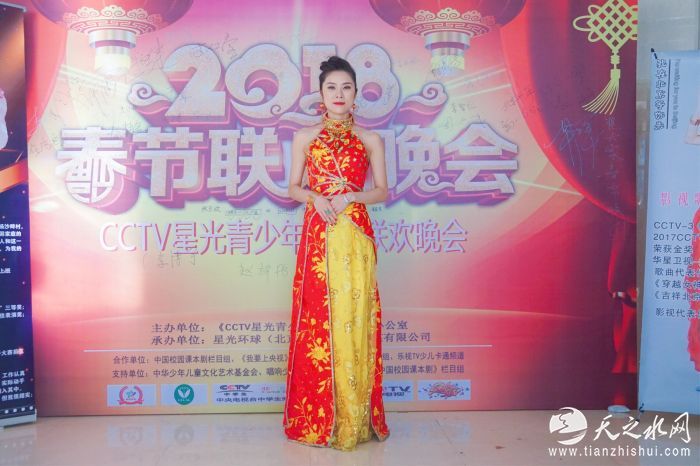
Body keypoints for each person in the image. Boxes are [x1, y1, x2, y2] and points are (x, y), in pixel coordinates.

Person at [282, 56, 391, 450]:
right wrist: (316, 197)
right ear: (321, 93)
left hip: (356, 234)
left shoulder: (370, 139)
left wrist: (350, 197)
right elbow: (293, 188)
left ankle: (355, 418)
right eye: (332, 87)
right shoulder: (305, 137)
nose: (339, 94)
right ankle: (320, 418)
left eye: (346, 87)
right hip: (320, 235)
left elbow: (382, 191)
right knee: (320, 319)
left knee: (355, 317)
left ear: (356, 93)